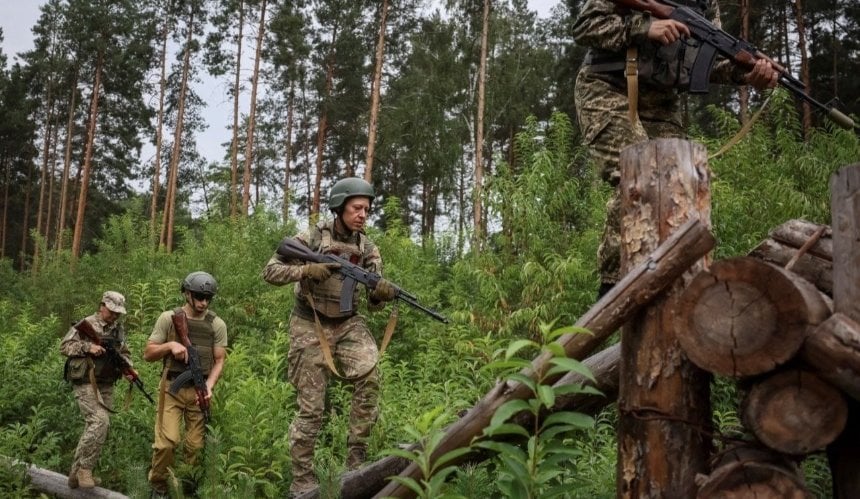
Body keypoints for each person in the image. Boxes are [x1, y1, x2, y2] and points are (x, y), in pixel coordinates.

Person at [573, 0, 779, 295]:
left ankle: (679, 286)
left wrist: (747, 74)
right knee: (639, 179)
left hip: (662, 103)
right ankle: (611, 292)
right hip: (608, 87)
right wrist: (645, 27)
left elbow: (708, 61)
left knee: (685, 186)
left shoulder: (707, 3)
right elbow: (584, 27)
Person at [262, 177, 397, 497]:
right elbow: (270, 272)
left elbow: (374, 306)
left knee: (370, 377)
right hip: (310, 322)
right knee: (311, 408)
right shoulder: (311, 237)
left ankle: (356, 462)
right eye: (356, 208)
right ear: (340, 207)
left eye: (367, 209)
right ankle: (302, 481)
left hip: (348, 322)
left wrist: (380, 294)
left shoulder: (367, 247)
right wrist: (305, 271)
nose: (363, 214)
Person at [144, 271, 227, 496]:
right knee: (167, 444)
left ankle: (185, 488)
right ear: (187, 294)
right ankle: (159, 487)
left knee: (196, 448)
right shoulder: (168, 318)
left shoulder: (216, 324)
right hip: (172, 388)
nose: (203, 303)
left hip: (199, 392)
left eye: (208, 298)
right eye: (199, 297)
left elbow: (219, 360)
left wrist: (209, 385)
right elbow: (148, 353)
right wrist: (170, 346)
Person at [61, 291, 132, 489]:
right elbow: (65, 346)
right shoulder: (87, 324)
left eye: (118, 313)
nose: (115, 316)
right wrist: (87, 347)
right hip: (85, 380)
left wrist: (128, 368)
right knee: (99, 421)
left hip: (106, 383)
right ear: (102, 306)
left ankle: (75, 475)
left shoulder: (118, 330)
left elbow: (125, 352)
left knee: (98, 427)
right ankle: (85, 469)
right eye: (111, 311)